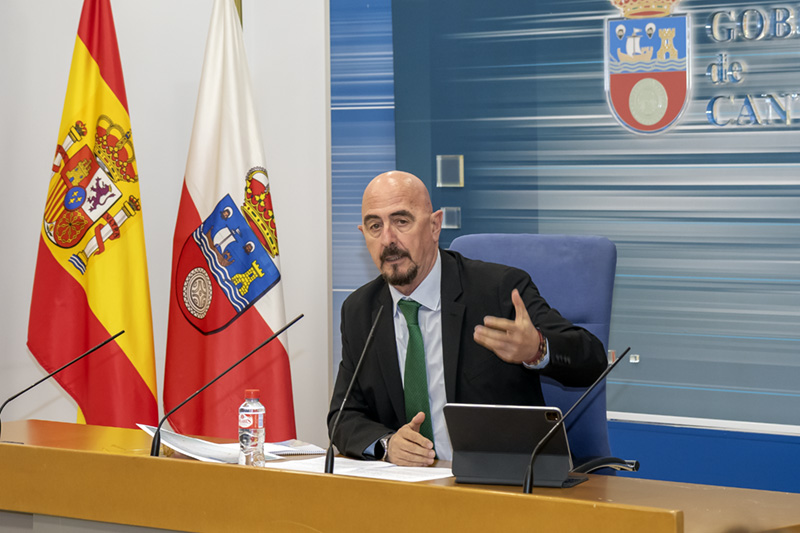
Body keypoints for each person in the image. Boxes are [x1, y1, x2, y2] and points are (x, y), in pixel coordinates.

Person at [327, 171, 607, 466]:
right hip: (410, 485)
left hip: (500, 480)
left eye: (401, 221)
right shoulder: (360, 310)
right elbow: (343, 416)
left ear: (434, 226)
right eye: (375, 226)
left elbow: (592, 359)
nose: (388, 239)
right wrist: (387, 444)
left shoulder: (498, 291)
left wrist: (537, 348)